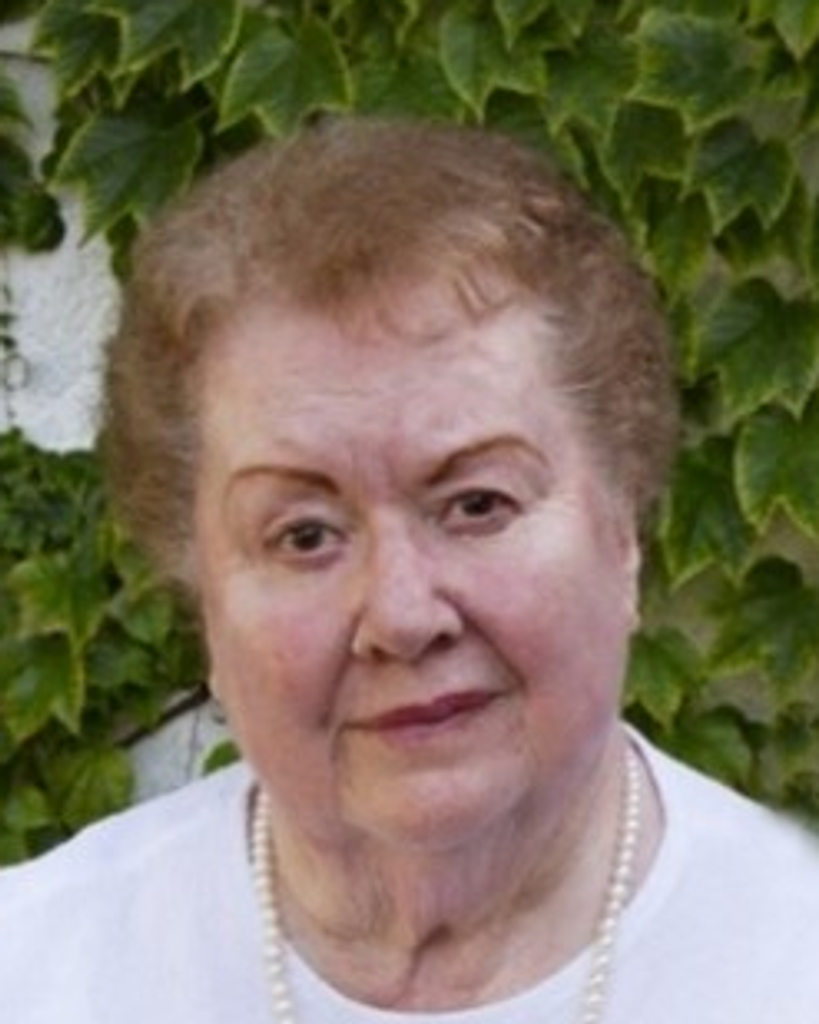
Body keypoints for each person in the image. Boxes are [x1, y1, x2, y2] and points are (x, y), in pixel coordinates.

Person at [2, 117, 818, 1024]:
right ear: (203, 601)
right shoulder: (35, 970)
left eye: (477, 504)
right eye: (304, 535)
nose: (400, 615)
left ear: (620, 533)